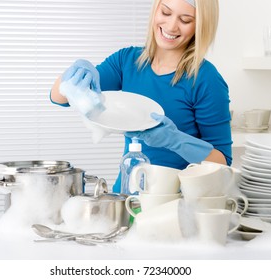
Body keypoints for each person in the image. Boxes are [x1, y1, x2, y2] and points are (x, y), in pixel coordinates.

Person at [50, 0, 232, 193]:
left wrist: (176, 140)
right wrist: (75, 74)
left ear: (200, 26)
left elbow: (223, 163)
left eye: (185, 20)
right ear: (156, 9)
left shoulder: (206, 79)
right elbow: (59, 98)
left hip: (175, 203)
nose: (171, 26)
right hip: (127, 195)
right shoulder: (127, 61)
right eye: (166, 12)